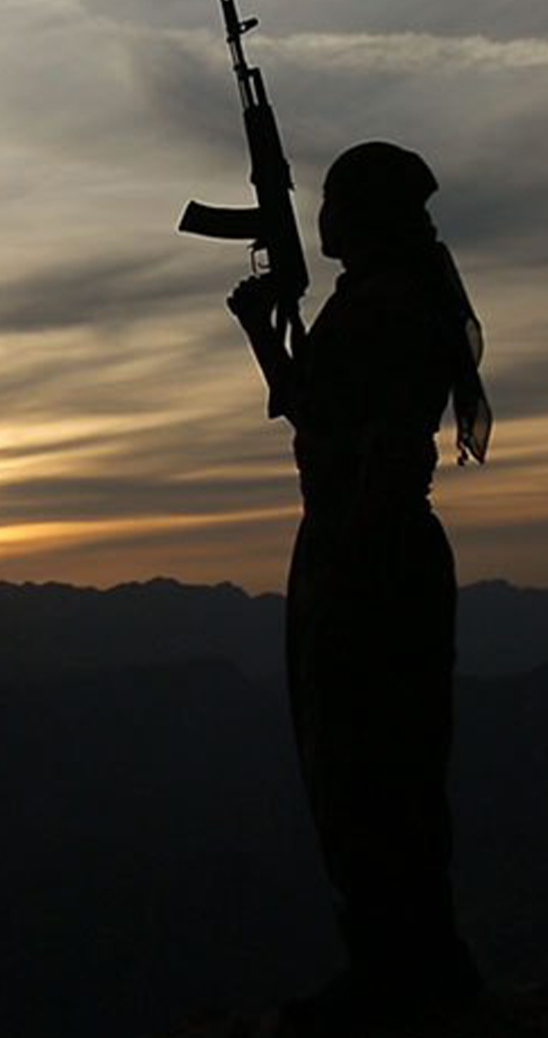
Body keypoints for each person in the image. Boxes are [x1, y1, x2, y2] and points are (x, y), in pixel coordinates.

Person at [225, 141, 491, 1036]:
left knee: (372, 768)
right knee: (367, 767)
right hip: (361, 544)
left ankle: (401, 974)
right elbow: (317, 410)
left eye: (335, 198)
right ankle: (404, 962)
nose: (322, 213)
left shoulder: (389, 306)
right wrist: (263, 330)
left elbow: (379, 440)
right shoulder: (383, 297)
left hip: (367, 551)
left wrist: (352, 554)